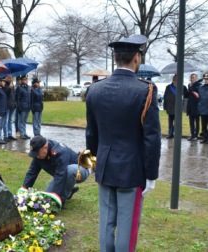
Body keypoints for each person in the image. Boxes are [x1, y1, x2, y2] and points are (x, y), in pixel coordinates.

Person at [86, 34, 161, 251]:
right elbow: (152, 137)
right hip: (132, 169)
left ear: (116, 58)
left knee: (106, 223)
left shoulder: (95, 89)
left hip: (105, 166)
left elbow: (91, 133)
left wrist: (91, 165)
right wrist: (151, 175)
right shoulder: (146, 90)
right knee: (127, 227)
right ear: (136, 58)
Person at [22, 136, 89, 205]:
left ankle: (63, 198)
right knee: (46, 199)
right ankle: (70, 189)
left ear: (45, 147)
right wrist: (24, 190)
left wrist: (57, 199)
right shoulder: (38, 153)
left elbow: (60, 175)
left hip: (80, 170)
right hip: (62, 173)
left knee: (69, 170)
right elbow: (32, 173)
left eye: (38, 153)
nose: (37, 157)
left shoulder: (59, 152)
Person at [163, 74, 189, 138]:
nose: (176, 82)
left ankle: (177, 133)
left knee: (177, 122)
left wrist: (184, 107)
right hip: (170, 107)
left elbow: (186, 97)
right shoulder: (168, 87)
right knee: (170, 121)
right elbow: (165, 97)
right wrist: (165, 106)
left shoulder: (183, 87)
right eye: (175, 80)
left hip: (179, 108)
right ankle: (170, 133)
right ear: (173, 80)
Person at [186, 73, 202, 141]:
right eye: (192, 78)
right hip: (190, 105)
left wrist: (195, 84)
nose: (193, 79)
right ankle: (192, 134)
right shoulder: (189, 85)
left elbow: (198, 95)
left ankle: (196, 135)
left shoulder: (199, 85)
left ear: (196, 78)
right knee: (191, 122)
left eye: (194, 78)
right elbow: (188, 95)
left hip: (196, 106)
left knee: (197, 121)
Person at [2, 73, 17, 142]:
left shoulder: (12, 85)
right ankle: (5, 135)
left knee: (10, 121)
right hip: (7, 105)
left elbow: (14, 95)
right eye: (9, 77)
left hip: (12, 105)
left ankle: (10, 134)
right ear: (6, 78)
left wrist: (14, 103)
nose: (10, 79)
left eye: (11, 77)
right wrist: (9, 88)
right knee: (5, 121)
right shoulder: (5, 85)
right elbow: (5, 94)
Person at [16, 74, 31, 139]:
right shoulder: (19, 88)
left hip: (27, 107)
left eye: (27, 79)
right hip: (22, 107)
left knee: (24, 121)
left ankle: (24, 133)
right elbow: (18, 98)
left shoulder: (28, 87)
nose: (26, 80)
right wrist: (19, 107)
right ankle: (22, 133)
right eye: (25, 79)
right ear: (22, 80)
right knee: (21, 121)